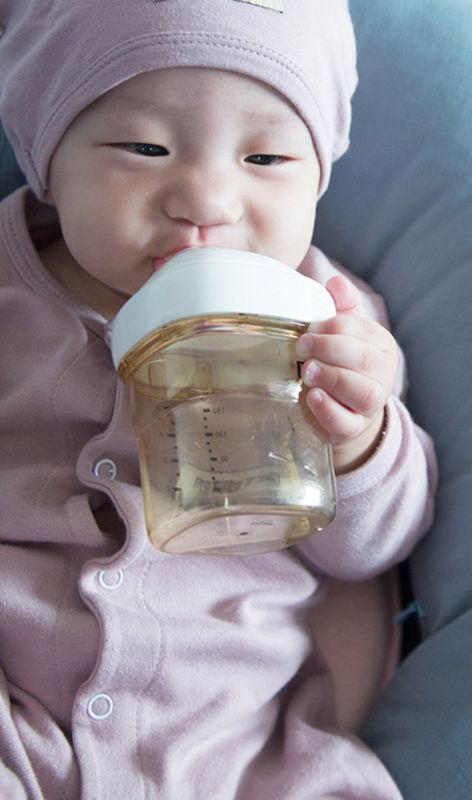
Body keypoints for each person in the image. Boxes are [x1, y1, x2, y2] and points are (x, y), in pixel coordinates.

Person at [0, 1, 436, 798]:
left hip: (229, 728)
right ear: (46, 158)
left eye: (266, 158)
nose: (205, 200)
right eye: (144, 147)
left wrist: (360, 437)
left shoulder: (331, 325)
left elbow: (376, 551)